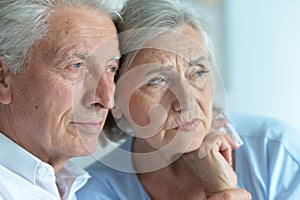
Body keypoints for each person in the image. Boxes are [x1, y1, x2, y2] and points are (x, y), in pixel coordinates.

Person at [77, 0, 300, 199]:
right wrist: (222, 191)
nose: (187, 102)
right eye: (157, 81)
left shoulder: (275, 151)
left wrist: (221, 185)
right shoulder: (96, 191)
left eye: (197, 72)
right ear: (114, 98)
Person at [0, 0, 120, 199]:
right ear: (3, 78)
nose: (107, 99)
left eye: (111, 68)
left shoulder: (68, 184)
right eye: (76, 66)